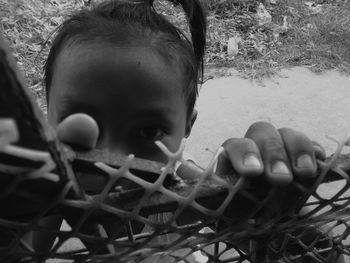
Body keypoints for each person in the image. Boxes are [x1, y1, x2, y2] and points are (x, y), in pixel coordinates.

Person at [29, 0, 337, 261]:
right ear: (46, 120)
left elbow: (243, 225)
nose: (113, 161)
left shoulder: (175, 188)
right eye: (85, 123)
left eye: (148, 132)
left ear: (188, 125)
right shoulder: (51, 191)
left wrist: (266, 214)